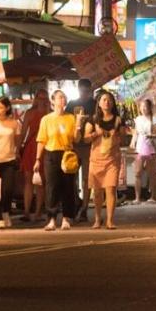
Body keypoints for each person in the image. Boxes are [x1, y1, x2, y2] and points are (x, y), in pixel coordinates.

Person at [33, 89, 79, 231]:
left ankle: (66, 218)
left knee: (68, 187)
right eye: (59, 97)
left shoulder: (71, 118)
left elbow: (76, 139)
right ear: (53, 101)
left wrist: (78, 127)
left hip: (67, 154)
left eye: (64, 97)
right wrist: (37, 159)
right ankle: (51, 218)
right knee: (51, 187)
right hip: (51, 154)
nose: (62, 100)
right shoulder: (46, 119)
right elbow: (41, 140)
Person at [83, 90, 126, 229]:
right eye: (104, 100)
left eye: (109, 100)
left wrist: (118, 135)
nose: (107, 102)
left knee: (111, 188)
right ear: (99, 103)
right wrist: (95, 134)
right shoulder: (93, 119)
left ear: (113, 103)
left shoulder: (118, 120)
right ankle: (97, 218)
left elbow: (124, 138)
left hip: (112, 159)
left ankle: (110, 220)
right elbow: (85, 138)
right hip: (96, 159)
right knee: (97, 191)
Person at [0, 97, 23, 229]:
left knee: (7, 189)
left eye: (1, 107)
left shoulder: (14, 123)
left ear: (7, 108)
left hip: (9, 159)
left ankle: (5, 212)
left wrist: (17, 152)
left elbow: (18, 141)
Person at [67, 80, 96, 222]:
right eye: (82, 90)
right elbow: (66, 122)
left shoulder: (95, 104)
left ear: (90, 90)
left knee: (87, 178)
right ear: (78, 90)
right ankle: (76, 202)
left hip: (89, 145)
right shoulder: (72, 104)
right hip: (74, 145)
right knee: (70, 176)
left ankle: (84, 208)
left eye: (87, 91)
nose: (84, 93)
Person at [18, 88, 48, 220]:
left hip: (44, 147)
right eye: (40, 98)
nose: (42, 101)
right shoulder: (30, 113)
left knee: (40, 182)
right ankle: (26, 211)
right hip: (31, 147)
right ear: (36, 99)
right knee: (28, 180)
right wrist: (18, 149)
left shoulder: (49, 113)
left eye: (44, 98)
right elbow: (23, 132)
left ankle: (38, 212)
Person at [132, 98, 156, 203]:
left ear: (149, 108)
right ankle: (137, 197)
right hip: (140, 146)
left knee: (152, 173)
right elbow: (135, 133)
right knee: (137, 172)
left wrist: (152, 135)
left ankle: (153, 196)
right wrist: (133, 142)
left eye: (146, 106)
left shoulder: (155, 119)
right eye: (142, 106)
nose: (143, 109)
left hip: (150, 147)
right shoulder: (138, 119)